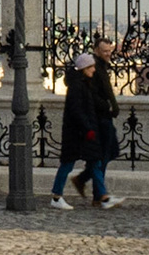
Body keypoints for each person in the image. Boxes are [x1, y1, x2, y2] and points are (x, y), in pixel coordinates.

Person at [51, 53, 126, 210]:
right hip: (78, 132)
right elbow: (77, 110)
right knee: (68, 164)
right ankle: (56, 196)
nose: (94, 69)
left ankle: (103, 197)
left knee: (95, 162)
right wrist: (87, 128)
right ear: (84, 68)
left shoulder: (84, 84)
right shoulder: (78, 86)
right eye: (91, 67)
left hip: (85, 131)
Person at [71, 35, 124, 205]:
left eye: (109, 51)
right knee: (103, 155)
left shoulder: (101, 66)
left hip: (105, 116)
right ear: (96, 51)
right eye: (104, 51)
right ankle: (98, 195)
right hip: (99, 118)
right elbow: (92, 95)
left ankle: (84, 180)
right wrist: (107, 106)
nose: (108, 54)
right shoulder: (93, 68)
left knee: (110, 152)